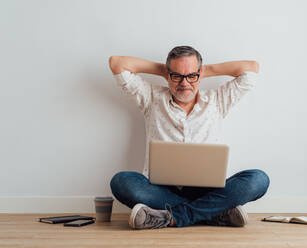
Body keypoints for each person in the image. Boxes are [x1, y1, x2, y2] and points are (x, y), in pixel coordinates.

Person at [108, 45, 270, 229]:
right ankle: (213, 213)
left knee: (258, 179)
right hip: (162, 190)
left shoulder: (217, 100)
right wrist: (166, 71)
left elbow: (251, 68)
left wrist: (204, 71)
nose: (184, 83)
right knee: (121, 182)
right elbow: (117, 63)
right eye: (176, 76)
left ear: (200, 75)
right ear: (168, 75)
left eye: (191, 76)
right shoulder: (151, 98)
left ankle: (173, 217)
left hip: (208, 190)